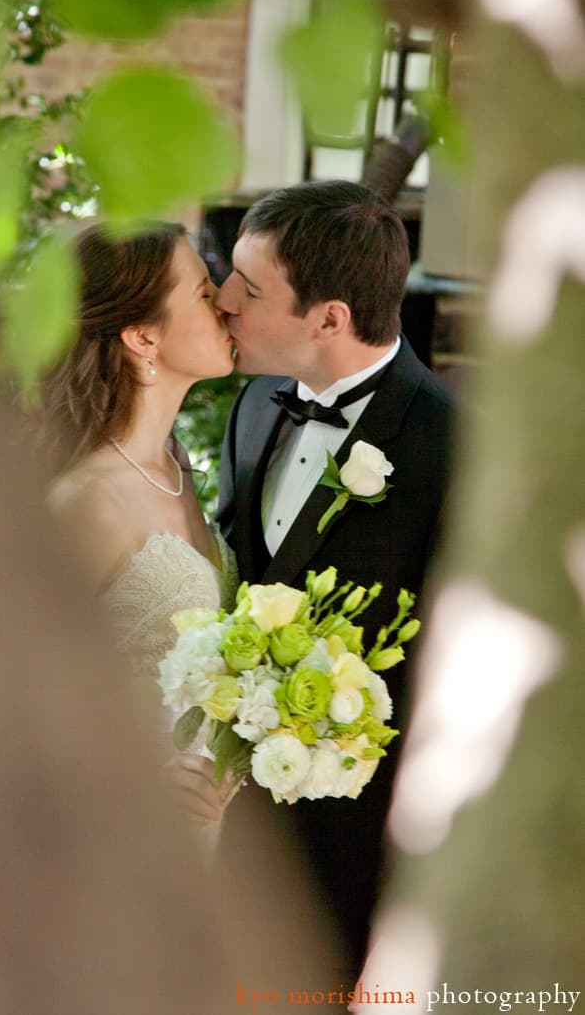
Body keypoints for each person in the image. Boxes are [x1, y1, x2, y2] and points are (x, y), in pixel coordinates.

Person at [213, 180, 456, 976]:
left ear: (329, 318)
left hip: (362, 854)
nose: (222, 301)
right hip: (230, 834)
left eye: (247, 289)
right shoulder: (254, 409)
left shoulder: (454, 448)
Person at [40, 221, 239, 826]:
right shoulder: (91, 500)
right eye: (204, 294)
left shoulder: (176, 468)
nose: (226, 302)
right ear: (142, 336)